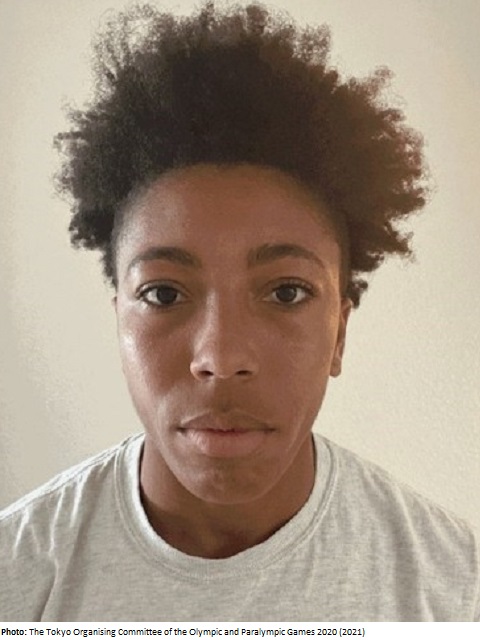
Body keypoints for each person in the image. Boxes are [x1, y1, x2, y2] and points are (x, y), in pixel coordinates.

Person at [0, 1, 478, 622]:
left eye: (286, 293)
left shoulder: (455, 592)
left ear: (340, 332)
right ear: (119, 320)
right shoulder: (18, 577)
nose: (221, 358)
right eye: (164, 294)